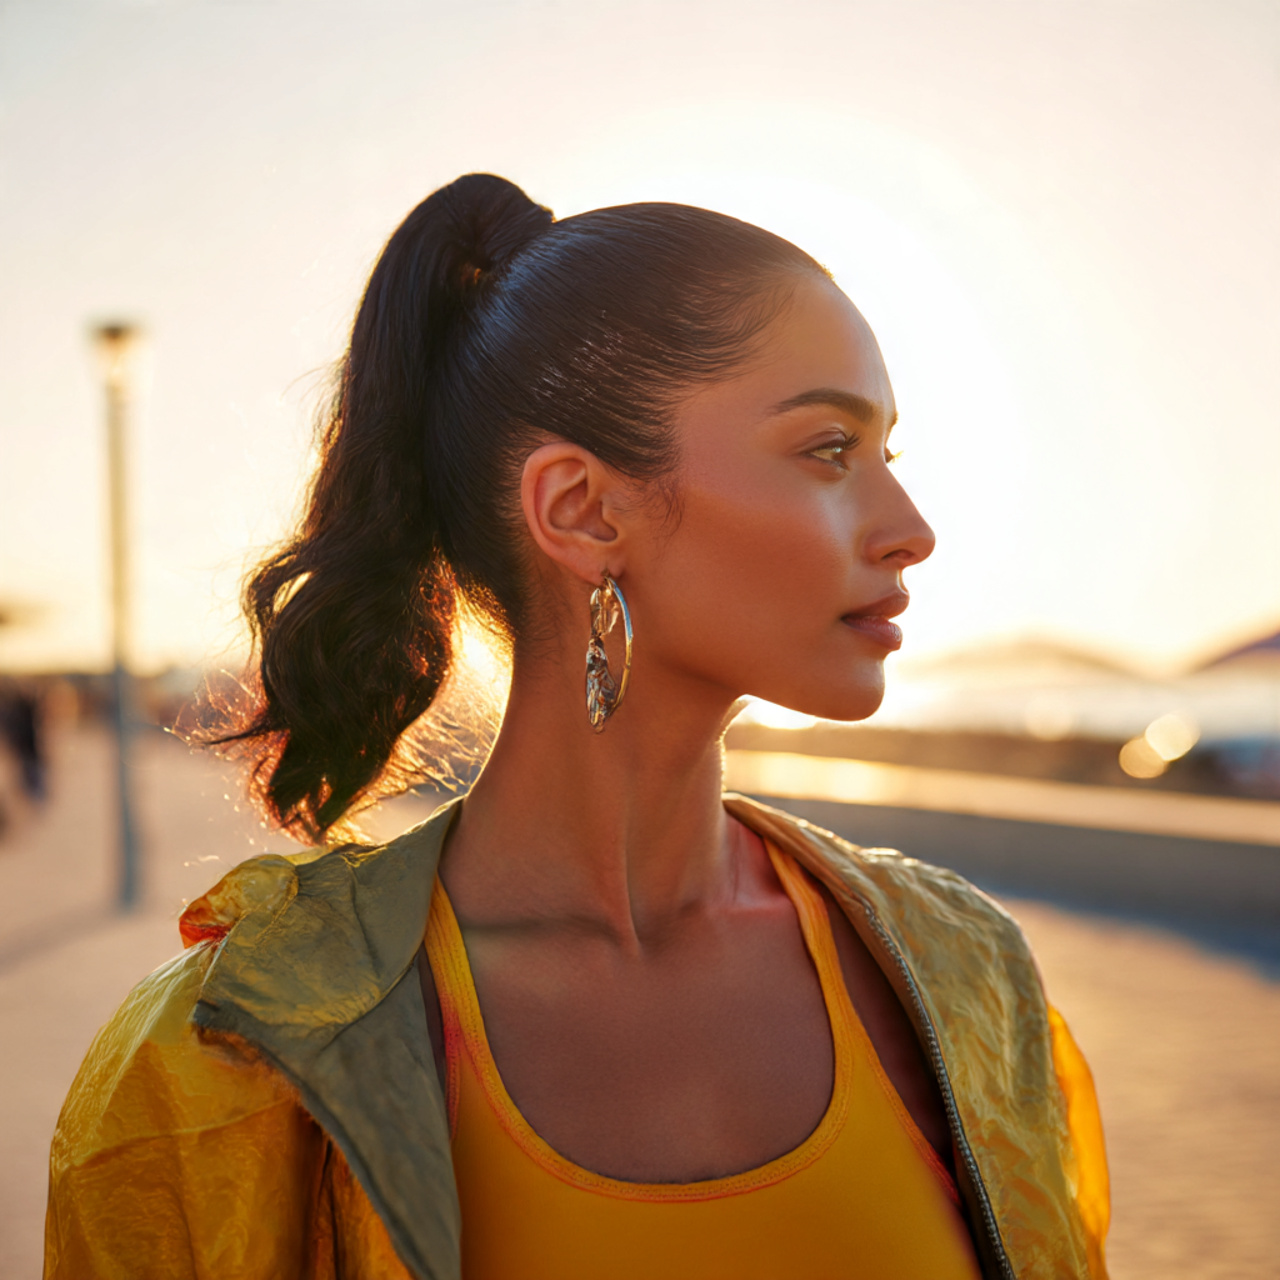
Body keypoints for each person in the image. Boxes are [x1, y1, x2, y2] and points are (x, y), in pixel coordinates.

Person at [44, 174, 1109, 1279]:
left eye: (889, 455)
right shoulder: (224, 1064)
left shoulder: (965, 976)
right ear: (582, 510)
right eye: (828, 448)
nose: (911, 529)